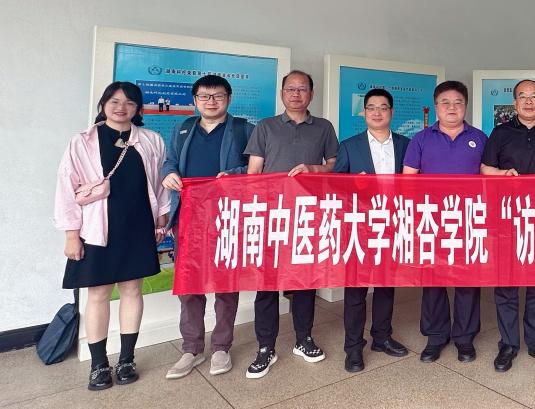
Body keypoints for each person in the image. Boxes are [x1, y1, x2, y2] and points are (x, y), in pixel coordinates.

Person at [55, 81, 170, 390]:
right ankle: (98, 364)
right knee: (98, 294)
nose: (121, 107)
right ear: (103, 104)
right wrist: (71, 235)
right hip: (96, 229)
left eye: (129, 102)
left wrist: (161, 220)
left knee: (132, 290)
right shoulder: (82, 142)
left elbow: (159, 184)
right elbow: (66, 188)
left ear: (138, 108)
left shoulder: (151, 140)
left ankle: (127, 359)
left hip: (138, 226)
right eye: (115, 101)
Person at [242, 70, 340, 378]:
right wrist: (253, 210)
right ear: (282, 93)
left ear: (311, 94)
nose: (296, 94)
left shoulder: (324, 127)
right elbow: (253, 172)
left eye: (302, 89)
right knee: (267, 284)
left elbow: (334, 165)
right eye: (290, 89)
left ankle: (303, 339)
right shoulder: (266, 127)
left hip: (308, 216)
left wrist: (314, 168)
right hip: (271, 216)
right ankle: (265, 347)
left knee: (305, 282)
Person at [161, 75, 254, 379]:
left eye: (218, 96)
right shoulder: (183, 128)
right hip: (189, 217)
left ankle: (221, 347)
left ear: (229, 98)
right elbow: (169, 161)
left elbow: (257, 166)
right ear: (195, 100)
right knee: (190, 284)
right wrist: (169, 174)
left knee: (225, 284)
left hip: (227, 217)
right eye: (204, 96)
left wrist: (234, 174)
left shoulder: (243, 129)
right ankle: (191, 348)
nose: (211, 101)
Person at [481, 79, 535, 372]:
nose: (529, 101)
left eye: (534, 96)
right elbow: (485, 168)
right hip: (506, 218)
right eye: (523, 96)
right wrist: (502, 174)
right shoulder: (501, 132)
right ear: (515, 103)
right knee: (506, 284)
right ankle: (508, 344)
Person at [403, 81, 488, 364]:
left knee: (468, 280)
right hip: (432, 219)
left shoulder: (480, 138)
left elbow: (489, 177)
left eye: (458, 102)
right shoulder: (421, 139)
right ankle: (436, 336)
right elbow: (408, 180)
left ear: (466, 106)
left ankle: (465, 338)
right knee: (433, 280)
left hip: (469, 219)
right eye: (445, 102)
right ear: (436, 106)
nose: (452, 108)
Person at [333, 88, 411, 372]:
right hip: (360, 226)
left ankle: (382, 337)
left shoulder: (406, 144)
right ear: (364, 112)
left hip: (393, 224)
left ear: (391, 112)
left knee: (386, 285)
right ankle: (353, 347)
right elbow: (336, 187)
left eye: (383, 107)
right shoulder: (349, 146)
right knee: (356, 290)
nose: (377, 112)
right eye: (371, 108)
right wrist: (354, 185)